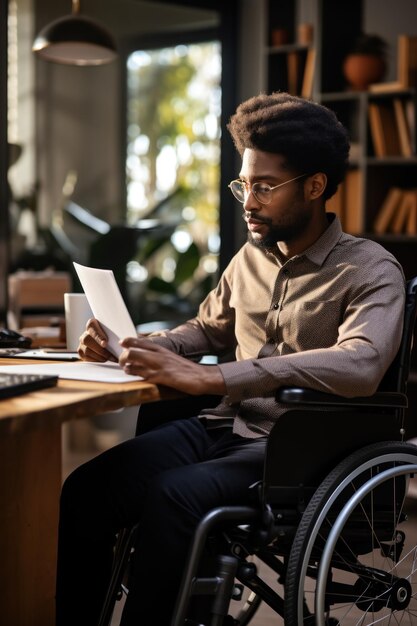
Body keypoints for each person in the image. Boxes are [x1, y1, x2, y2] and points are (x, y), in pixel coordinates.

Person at [55, 92, 405, 626]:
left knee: (173, 497)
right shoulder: (250, 258)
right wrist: (141, 346)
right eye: (245, 184)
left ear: (315, 186)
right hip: (224, 425)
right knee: (86, 490)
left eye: (265, 186)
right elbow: (207, 328)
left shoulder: (369, 269)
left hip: (291, 444)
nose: (248, 200)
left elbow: (360, 363)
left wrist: (217, 377)